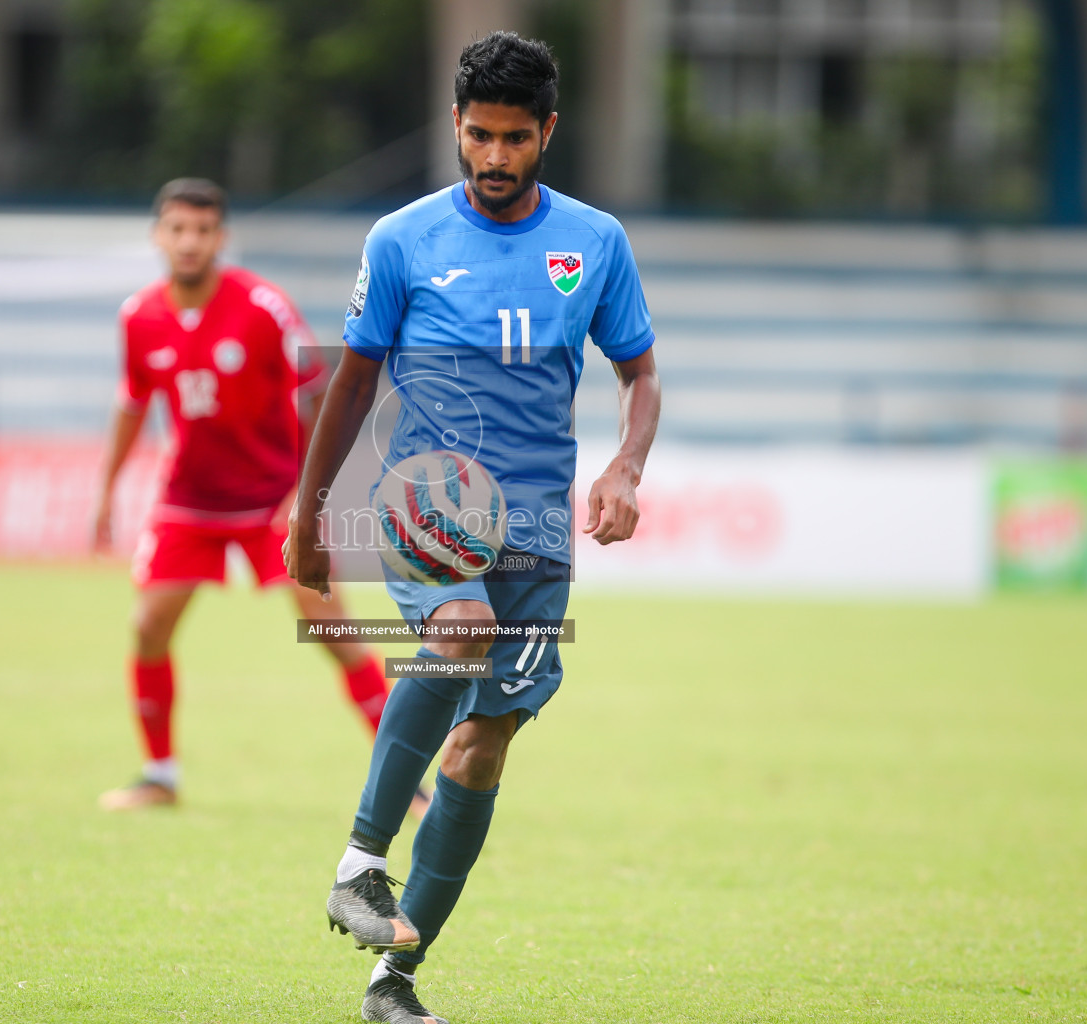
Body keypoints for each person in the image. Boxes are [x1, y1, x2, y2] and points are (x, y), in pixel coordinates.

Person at [285, 32, 662, 1024]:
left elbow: (640, 372)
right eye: (479, 135)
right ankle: (361, 859)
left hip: (539, 527)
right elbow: (355, 378)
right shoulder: (403, 239)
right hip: (429, 495)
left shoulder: (597, 243)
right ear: (455, 126)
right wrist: (313, 508)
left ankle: (393, 982)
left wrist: (626, 465)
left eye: (514, 139)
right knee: (456, 632)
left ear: (547, 133)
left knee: (482, 749)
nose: (494, 156)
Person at [92, 178, 429, 819]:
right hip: (187, 503)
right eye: (177, 229)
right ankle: (160, 776)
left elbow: (317, 395)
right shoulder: (139, 317)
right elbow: (133, 405)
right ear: (158, 236)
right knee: (147, 628)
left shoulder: (264, 307)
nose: (189, 242)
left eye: (203, 230)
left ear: (222, 238)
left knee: (331, 631)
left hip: (274, 501)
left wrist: (309, 495)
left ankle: (409, 783)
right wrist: (106, 491)